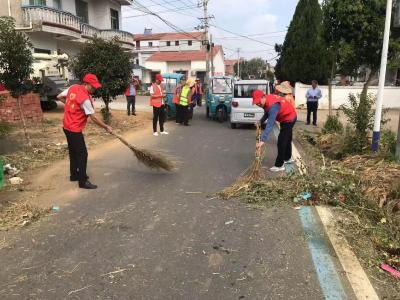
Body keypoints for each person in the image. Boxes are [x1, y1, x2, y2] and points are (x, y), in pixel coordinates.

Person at [57, 73, 113, 189]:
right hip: (74, 128)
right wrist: (106, 127)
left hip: (66, 126)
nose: (94, 89)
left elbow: (60, 97)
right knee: (83, 154)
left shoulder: (73, 87)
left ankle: (74, 175)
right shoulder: (85, 99)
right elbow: (93, 117)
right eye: (92, 86)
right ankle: (82, 181)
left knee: (73, 152)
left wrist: (72, 106)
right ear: (86, 84)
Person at [253, 85, 297, 172]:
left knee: (281, 141)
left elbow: (270, 123)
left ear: (263, 97)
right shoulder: (267, 100)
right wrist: (260, 121)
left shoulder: (273, 106)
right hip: (289, 116)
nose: (258, 104)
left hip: (289, 118)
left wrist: (262, 140)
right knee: (287, 139)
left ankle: (279, 165)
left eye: (258, 102)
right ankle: (287, 158)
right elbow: (267, 113)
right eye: (256, 103)